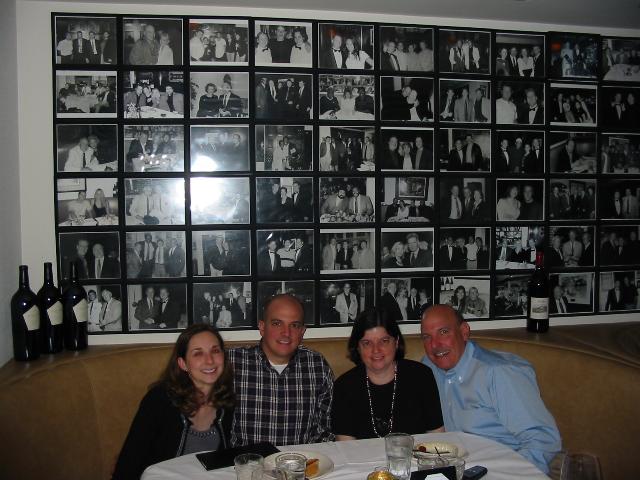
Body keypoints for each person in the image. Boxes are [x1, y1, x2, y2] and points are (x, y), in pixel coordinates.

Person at [420, 305, 561, 474]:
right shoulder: (428, 368)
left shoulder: (500, 373)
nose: (435, 344)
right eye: (427, 337)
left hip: (507, 470)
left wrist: (501, 474)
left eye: (443, 332)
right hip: (459, 470)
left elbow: (543, 441)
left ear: (464, 332)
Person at [113, 325, 235, 479]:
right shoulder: (159, 400)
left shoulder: (229, 400)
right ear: (183, 364)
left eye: (215, 351)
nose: (209, 360)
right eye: (198, 353)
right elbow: (129, 462)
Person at [228, 294, 334, 446]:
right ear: (262, 327)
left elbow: (326, 428)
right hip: (247, 460)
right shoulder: (233, 362)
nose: (286, 333)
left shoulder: (317, 366)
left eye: (294, 325)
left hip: (301, 459)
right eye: (277, 323)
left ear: (302, 331)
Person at [332, 308, 443, 439]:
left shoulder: (422, 376)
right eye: (367, 343)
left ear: (396, 342)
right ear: (358, 347)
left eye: (384, 341)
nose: (376, 350)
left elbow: (436, 437)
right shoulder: (344, 387)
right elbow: (346, 446)